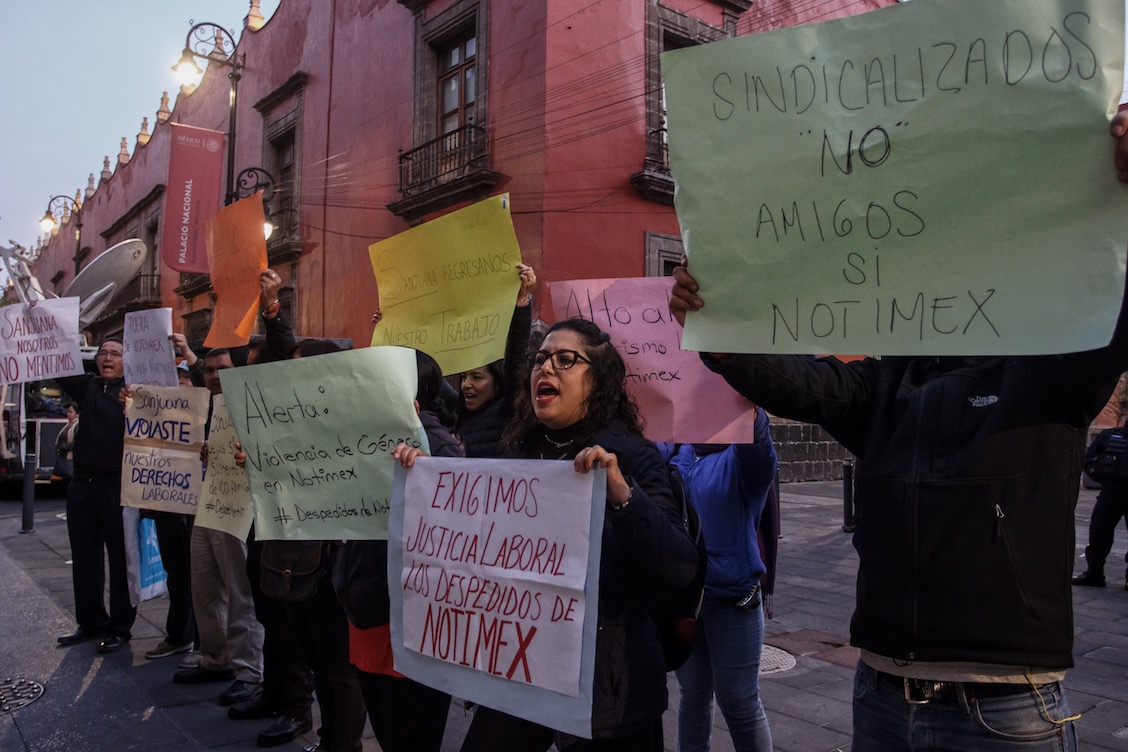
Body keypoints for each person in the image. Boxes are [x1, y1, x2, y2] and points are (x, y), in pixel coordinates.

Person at [665, 112, 1128, 752]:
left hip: (1005, 711)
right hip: (880, 696)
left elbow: (1118, 308)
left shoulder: (1051, 369)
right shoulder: (880, 387)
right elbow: (792, 379)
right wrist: (714, 322)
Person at [396, 316, 700, 751]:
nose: (546, 368)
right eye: (540, 360)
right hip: (524, 669)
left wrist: (622, 496)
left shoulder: (632, 456)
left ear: (599, 379)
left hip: (609, 683)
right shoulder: (521, 450)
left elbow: (680, 566)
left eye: (565, 359)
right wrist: (422, 476)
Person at [337, 350, 456, 752]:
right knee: (390, 734)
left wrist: (429, 478)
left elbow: (458, 529)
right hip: (369, 607)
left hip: (407, 623)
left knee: (409, 736)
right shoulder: (362, 437)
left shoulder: (438, 446)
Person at [657, 407, 777, 752]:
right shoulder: (682, 452)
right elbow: (649, 444)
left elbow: (758, 452)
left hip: (732, 602)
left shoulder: (740, 460)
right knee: (693, 697)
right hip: (686, 601)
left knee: (739, 701)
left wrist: (750, 406)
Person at [174, 345, 266, 708]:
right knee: (205, 587)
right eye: (209, 370)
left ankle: (248, 671)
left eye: (221, 368)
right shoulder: (205, 403)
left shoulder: (251, 401)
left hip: (239, 509)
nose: (214, 376)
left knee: (240, 593)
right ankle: (215, 658)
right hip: (206, 504)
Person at [56, 340, 135, 653]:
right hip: (83, 486)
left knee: (120, 559)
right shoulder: (88, 387)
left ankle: (119, 627)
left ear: (125, 362)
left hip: (117, 487)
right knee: (85, 557)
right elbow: (60, 367)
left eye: (115, 354)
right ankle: (90, 623)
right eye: (103, 352)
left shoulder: (134, 392)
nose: (107, 357)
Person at [455, 263, 537, 457]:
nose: (466, 384)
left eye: (476, 377)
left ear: (499, 383)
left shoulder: (507, 411)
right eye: (463, 377)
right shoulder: (457, 413)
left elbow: (515, 358)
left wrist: (521, 301)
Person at [1073, 419, 1128, 591]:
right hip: (1110, 492)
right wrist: (1096, 474)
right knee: (1099, 532)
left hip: (1113, 492)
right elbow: (1088, 457)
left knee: (1100, 531)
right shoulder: (1109, 435)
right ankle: (1094, 573)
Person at [53, 401, 78, 481]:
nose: (68, 413)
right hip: (62, 459)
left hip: (69, 460)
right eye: (68, 412)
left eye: (71, 412)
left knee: (68, 479)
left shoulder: (77, 425)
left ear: (77, 414)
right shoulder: (68, 425)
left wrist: (64, 447)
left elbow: (76, 442)